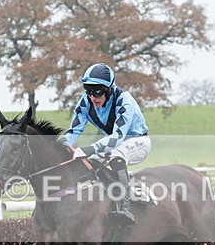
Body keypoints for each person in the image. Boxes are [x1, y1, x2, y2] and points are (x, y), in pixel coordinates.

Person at [61, 63, 151, 225]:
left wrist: (90, 148)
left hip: (138, 142)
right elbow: (73, 131)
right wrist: (63, 145)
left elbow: (117, 136)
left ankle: (126, 207)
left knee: (116, 156)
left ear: (109, 89)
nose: (92, 97)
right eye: (88, 91)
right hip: (114, 144)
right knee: (87, 162)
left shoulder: (125, 100)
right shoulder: (85, 102)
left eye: (97, 91)